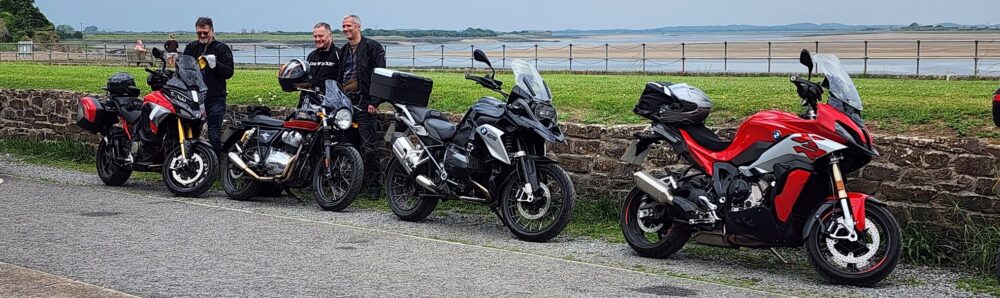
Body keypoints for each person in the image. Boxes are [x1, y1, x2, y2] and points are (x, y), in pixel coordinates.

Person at [335, 14, 385, 195]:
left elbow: (381, 74)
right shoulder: (343, 51)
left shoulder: (373, 47)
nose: (346, 29)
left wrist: (375, 101)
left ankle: (374, 187)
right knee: (348, 144)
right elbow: (339, 76)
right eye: (343, 26)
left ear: (358, 26)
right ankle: (354, 184)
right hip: (346, 103)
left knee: (370, 147)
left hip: (365, 104)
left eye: (349, 26)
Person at [182, 16, 234, 155]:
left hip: (215, 96)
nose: (203, 35)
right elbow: (183, 68)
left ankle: (217, 164)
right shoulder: (192, 47)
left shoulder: (222, 48)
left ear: (212, 31)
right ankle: (192, 162)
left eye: (206, 32)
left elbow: (229, 72)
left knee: (214, 133)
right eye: (200, 33)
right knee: (190, 132)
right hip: (194, 97)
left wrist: (215, 64)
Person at [306, 22, 340, 94]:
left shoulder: (339, 55)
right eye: (315, 36)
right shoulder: (311, 56)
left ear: (330, 36)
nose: (317, 39)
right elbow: (306, 80)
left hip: (331, 101)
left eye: (321, 36)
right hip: (312, 100)